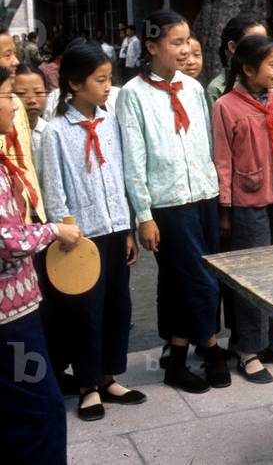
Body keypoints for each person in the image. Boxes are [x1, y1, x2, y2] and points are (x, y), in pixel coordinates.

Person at [116, 10, 228, 394]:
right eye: (175, 43)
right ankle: (211, 349)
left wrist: (218, 192)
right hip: (168, 203)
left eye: (187, 41)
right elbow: (134, 159)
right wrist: (143, 215)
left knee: (200, 276)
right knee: (194, 279)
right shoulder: (132, 95)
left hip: (204, 194)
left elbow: (209, 146)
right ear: (151, 47)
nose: (184, 50)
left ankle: (178, 360)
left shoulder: (193, 89)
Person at [39, 42, 145, 421]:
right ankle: (86, 385)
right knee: (85, 311)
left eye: (108, 79)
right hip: (81, 237)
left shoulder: (110, 122)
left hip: (116, 229)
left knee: (118, 304)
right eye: (100, 80)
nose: (107, 87)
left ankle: (108, 376)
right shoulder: (55, 132)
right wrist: (66, 232)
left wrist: (129, 228)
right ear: (74, 84)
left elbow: (120, 174)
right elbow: (54, 189)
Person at [0, 65, 83, 464]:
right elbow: (5, 240)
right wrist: (52, 232)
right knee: (41, 411)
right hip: (8, 318)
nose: (14, 105)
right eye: (6, 96)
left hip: (17, 310)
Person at [213, 34, 273, 383]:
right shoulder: (226, 106)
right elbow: (222, 160)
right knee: (252, 277)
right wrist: (225, 208)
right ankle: (247, 348)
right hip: (248, 203)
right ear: (248, 69)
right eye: (272, 65)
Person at [0, 29, 45, 222]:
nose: (16, 62)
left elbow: (25, 162)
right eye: (7, 55)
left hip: (27, 215)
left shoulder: (15, 104)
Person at [206, 13, 267, 104]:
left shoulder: (269, 79)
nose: (264, 48)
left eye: (265, 42)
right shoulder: (217, 88)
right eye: (255, 42)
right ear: (233, 47)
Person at [13, 64, 48, 163]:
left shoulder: (50, 131)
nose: (32, 100)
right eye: (21, 93)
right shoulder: (4, 136)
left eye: (38, 93)